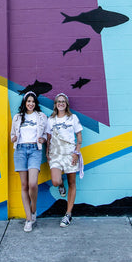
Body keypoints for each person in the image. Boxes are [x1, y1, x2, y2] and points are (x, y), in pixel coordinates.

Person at [11, 91, 47, 232]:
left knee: (33, 184)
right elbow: (12, 134)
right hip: (20, 150)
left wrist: (43, 139)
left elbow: (44, 134)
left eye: (33, 101)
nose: (30, 104)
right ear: (24, 103)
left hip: (34, 150)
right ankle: (29, 219)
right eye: (28, 101)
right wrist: (13, 138)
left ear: (35, 103)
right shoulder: (18, 117)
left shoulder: (41, 116)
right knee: (24, 185)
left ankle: (33, 209)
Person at [46, 93, 83, 227]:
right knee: (55, 181)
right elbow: (49, 138)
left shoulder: (72, 118)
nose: (61, 103)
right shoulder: (51, 120)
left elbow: (79, 137)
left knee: (72, 183)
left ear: (66, 104)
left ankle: (68, 214)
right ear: (55, 104)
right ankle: (61, 185)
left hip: (70, 154)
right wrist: (47, 153)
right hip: (56, 154)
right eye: (58, 101)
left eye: (63, 101)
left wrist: (76, 153)